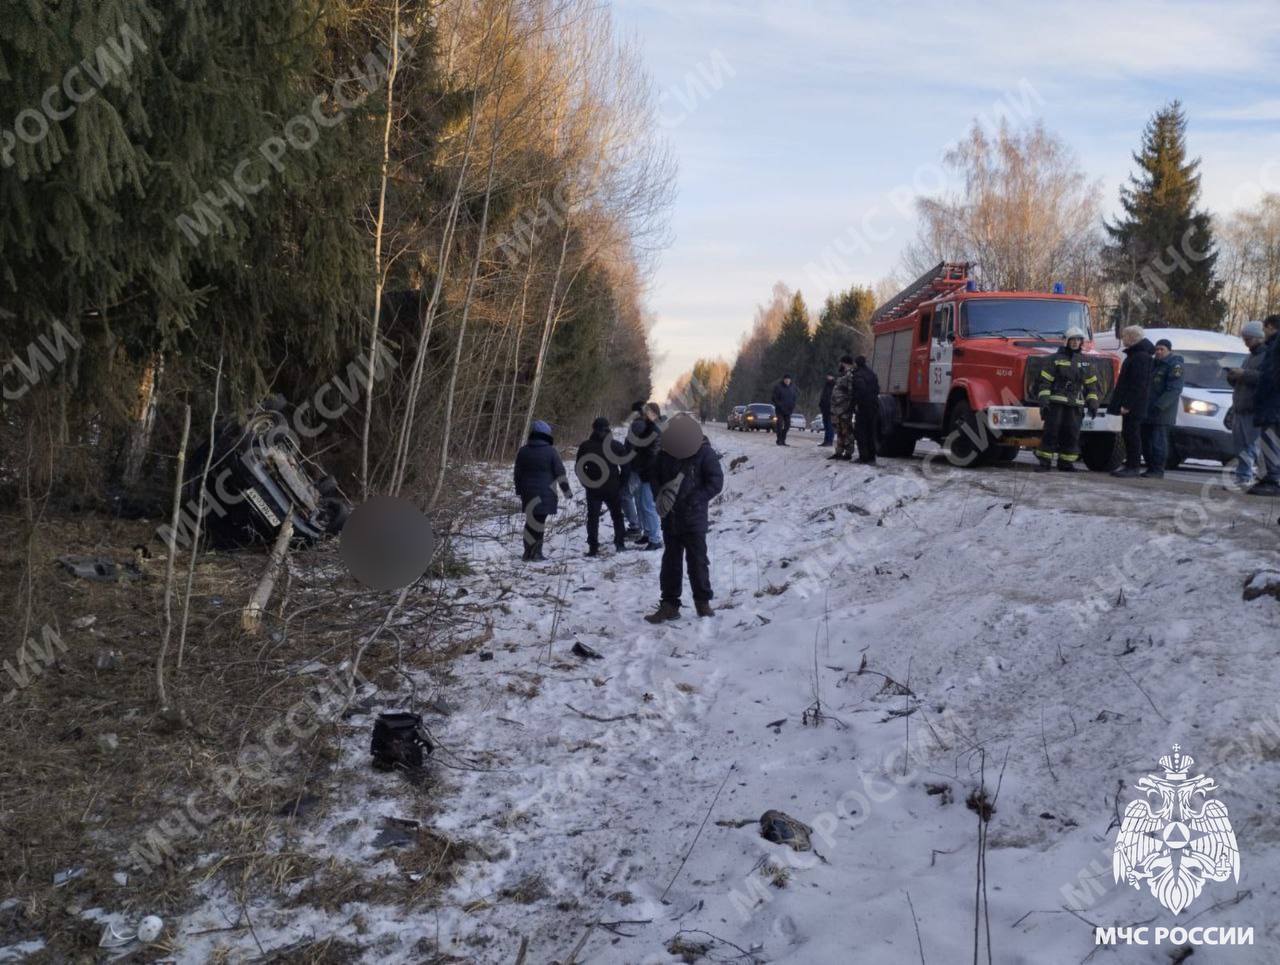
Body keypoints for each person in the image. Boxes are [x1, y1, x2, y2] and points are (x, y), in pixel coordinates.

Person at [644, 415, 725, 623]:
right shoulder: (664, 453)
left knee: (697, 562)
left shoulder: (705, 452)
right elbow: (653, 477)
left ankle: (702, 603)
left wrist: (695, 499)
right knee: (671, 563)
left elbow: (715, 481)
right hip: (670, 519)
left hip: (694, 519)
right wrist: (660, 496)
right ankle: (669, 605)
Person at [1035, 327, 1100, 472]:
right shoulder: (1055, 359)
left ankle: (1066, 463)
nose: (1076, 342)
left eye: (1078, 340)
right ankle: (1044, 463)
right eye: (1073, 340)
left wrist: (1093, 402)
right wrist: (1044, 402)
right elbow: (1045, 382)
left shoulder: (1085, 361)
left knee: (1072, 433)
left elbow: (1091, 385)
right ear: (1067, 341)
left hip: (1075, 404)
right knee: (1051, 432)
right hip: (1056, 403)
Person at [513, 419, 571, 561]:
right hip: (546, 493)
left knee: (530, 521)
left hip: (528, 493)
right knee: (539, 522)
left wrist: (519, 490)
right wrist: (566, 490)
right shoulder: (551, 452)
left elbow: (517, 473)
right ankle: (536, 553)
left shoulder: (523, 451)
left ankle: (528, 553)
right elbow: (560, 472)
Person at [575, 417, 629, 557]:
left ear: (593, 429)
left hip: (593, 488)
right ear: (608, 428)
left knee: (593, 517)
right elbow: (626, 466)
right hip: (612, 487)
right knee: (617, 516)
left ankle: (593, 547)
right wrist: (621, 483)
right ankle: (620, 543)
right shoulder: (615, 445)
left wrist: (586, 483)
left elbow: (579, 468)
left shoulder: (585, 446)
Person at [1225, 320, 1268, 487]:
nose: (1246, 343)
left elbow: (1265, 379)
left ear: (1259, 338)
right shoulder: (1250, 357)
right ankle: (1243, 477)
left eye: (1248, 339)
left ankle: (1254, 477)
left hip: (1253, 409)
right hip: (1241, 407)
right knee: (1242, 446)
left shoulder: (1266, 356)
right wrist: (1233, 377)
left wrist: (1243, 374)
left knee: (1251, 446)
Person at [1108, 326, 1155, 478]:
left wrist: (1128, 404)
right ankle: (1130, 465)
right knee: (1129, 434)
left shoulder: (1140, 357)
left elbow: (1138, 384)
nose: (1123, 339)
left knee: (1132, 435)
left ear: (1132, 338)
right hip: (1134, 405)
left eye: (1125, 336)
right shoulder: (1137, 355)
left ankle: (1133, 466)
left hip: (1134, 406)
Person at [1140, 338, 1184, 480]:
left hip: (1162, 412)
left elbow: (1174, 389)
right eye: (1157, 349)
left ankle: (1158, 469)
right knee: (1146, 440)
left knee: (1158, 441)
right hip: (1148, 409)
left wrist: (1160, 406)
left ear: (1169, 351)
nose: (1158, 352)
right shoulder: (1154, 364)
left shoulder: (1174, 365)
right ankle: (1150, 467)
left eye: (1162, 349)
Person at [1248, 314, 1280, 496]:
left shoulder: (1275, 347)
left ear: (1269, 327)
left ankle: (1272, 479)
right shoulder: (1271, 347)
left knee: (1270, 441)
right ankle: (1270, 477)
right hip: (1271, 402)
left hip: (1273, 402)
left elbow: (1270, 375)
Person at [627, 402, 664, 550]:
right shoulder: (649, 427)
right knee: (642, 504)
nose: (644, 414)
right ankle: (648, 534)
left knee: (648, 506)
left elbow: (652, 454)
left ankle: (655, 539)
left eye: (647, 412)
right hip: (643, 471)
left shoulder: (655, 429)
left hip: (649, 473)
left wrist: (644, 468)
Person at [849, 355, 880, 464]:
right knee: (871, 432)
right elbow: (877, 389)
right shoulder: (872, 374)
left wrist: (854, 405)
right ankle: (872, 457)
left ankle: (864, 457)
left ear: (856, 364)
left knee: (861, 432)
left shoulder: (858, 375)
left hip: (863, 408)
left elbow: (859, 392)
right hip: (874, 406)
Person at [828, 356, 855, 461]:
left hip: (844, 409)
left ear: (845, 363)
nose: (839, 364)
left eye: (841, 363)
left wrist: (848, 406)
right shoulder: (842, 375)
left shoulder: (849, 375)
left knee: (846, 431)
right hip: (837, 409)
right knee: (839, 431)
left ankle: (848, 453)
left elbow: (851, 392)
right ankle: (839, 451)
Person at [771, 375, 798, 446]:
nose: (787, 381)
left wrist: (793, 406)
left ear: (790, 380)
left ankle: (783, 439)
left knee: (787, 425)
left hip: (788, 410)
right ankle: (779, 440)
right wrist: (779, 405)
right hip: (780, 410)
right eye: (786, 379)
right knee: (779, 425)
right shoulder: (778, 387)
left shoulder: (793, 387)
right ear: (783, 380)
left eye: (788, 379)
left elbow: (795, 398)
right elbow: (774, 398)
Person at [818, 373, 836, 447]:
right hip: (824, 408)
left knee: (830, 425)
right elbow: (823, 396)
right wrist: (821, 404)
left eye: (830, 376)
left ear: (833, 377)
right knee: (825, 425)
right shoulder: (826, 385)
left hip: (831, 408)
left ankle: (829, 441)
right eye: (828, 376)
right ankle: (826, 440)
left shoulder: (834, 385)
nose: (828, 377)